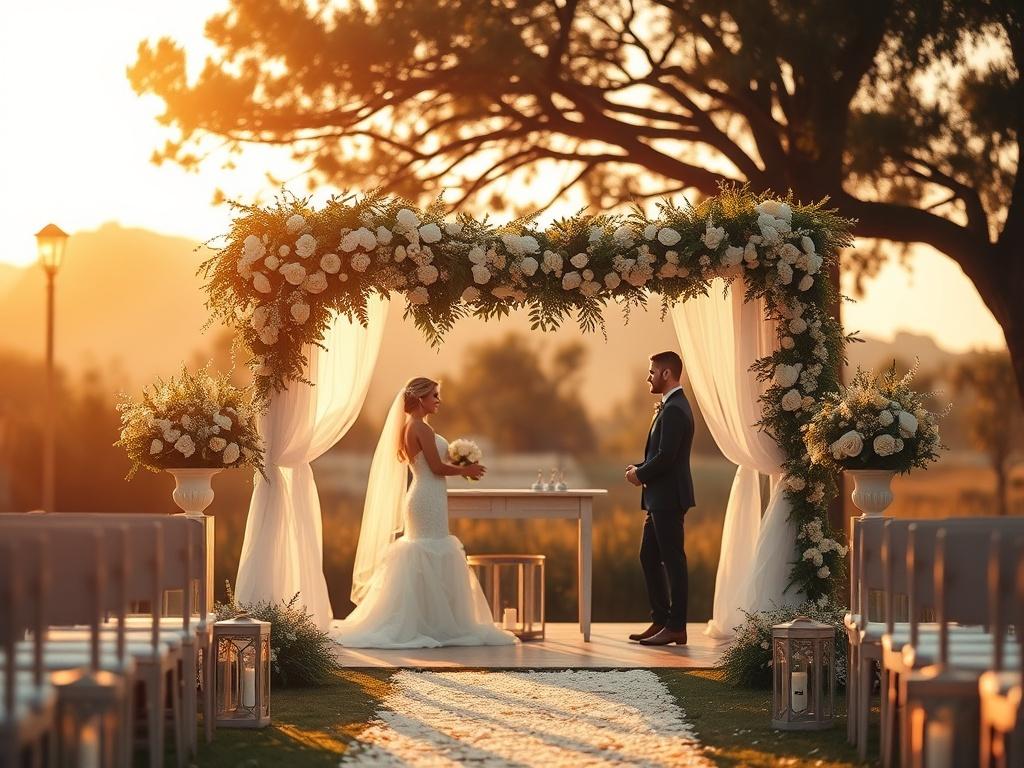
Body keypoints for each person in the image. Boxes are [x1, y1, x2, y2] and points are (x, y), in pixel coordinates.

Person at [332, 377, 517, 648]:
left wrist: (458, 462)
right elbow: (436, 468)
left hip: (427, 496)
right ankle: (428, 624)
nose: (438, 400)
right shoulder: (420, 428)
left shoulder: (413, 427)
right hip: (426, 498)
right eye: (434, 396)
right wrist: (465, 470)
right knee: (429, 552)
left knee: (427, 554)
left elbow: (435, 464)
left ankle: (427, 621)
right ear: (420, 399)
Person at [625, 351, 696, 646]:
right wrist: (640, 468)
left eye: (652, 371)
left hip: (668, 498)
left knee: (673, 561)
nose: (648, 377)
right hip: (659, 499)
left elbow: (666, 457)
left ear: (667, 374)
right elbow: (661, 455)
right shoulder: (670, 407)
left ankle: (676, 626)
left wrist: (639, 474)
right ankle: (661, 619)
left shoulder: (676, 409)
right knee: (649, 557)